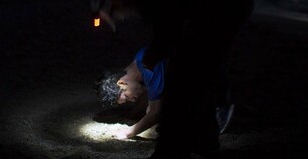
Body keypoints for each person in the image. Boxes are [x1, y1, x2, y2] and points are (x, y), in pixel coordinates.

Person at [90, 0, 254, 159]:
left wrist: (158, 50)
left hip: (225, 1)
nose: (121, 14)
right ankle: (204, 141)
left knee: (183, 75)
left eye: (116, 10)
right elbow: (169, 19)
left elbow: (170, 17)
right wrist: (160, 48)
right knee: (194, 71)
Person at [96, 47, 236, 140]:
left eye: (126, 96)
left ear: (121, 83)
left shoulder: (148, 65)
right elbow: (149, 93)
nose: (131, 99)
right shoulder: (140, 60)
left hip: (213, 95)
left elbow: (156, 112)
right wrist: (135, 113)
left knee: (167, 128)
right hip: (203, 80)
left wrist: (129, 132)